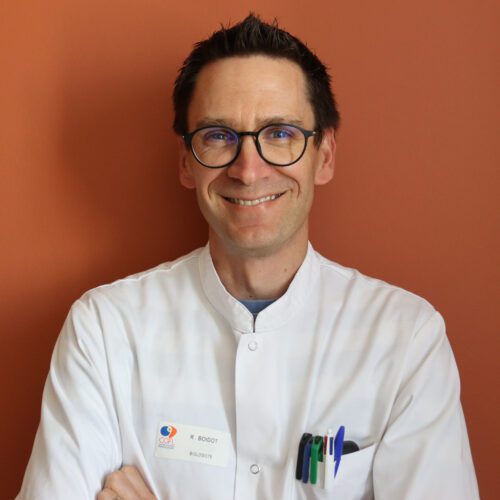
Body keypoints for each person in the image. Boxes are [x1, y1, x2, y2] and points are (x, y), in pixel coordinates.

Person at [17, 14, 479, 500]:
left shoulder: (406, 340)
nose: (249, 170)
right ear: (186, 161)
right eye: (219, 135)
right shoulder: (105, 330)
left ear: (324, 156)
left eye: (279, 133)